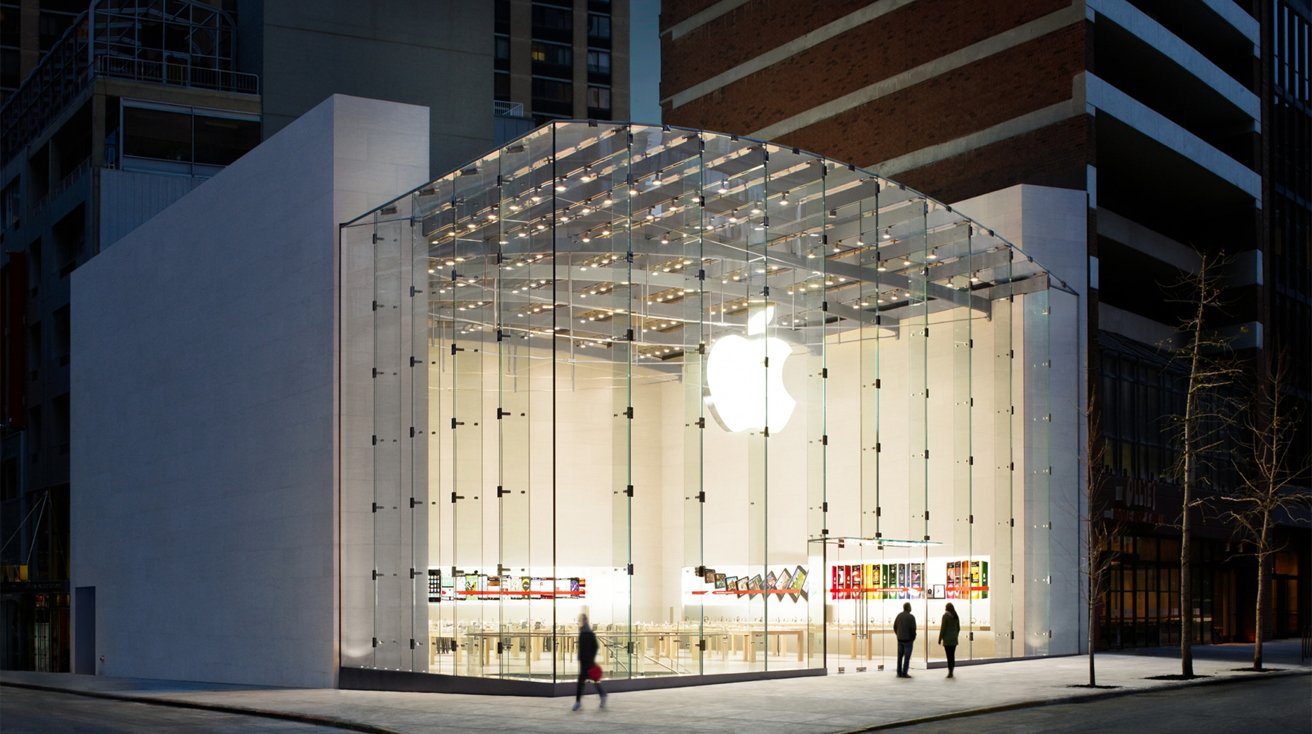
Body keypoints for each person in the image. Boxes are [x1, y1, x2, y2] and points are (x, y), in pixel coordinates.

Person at [573, 613, 608, 711]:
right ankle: (602, 695)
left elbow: (592, 647)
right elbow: (595, 647)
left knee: (582, 681)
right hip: (587, 661)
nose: (580, 622)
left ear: (584, 621)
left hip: (586, 661)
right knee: (593, 680)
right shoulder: (587, 632)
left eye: (581, 620)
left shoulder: (585, 633)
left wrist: (586, 657)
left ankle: (578, 702)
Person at [893, 601, 916, 678]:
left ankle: (899, 672)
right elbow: (913, 629)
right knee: (907, 657)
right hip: (908, 640)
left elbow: (895, 626)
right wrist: (913, 637)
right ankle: (904, 673)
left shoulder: (899, 616)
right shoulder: (911, 617)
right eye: (910, 606)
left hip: (900, 640)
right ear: (908, 608)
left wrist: (898, 634)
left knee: (899, 657)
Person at [938, 602, 960, 678]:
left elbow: (943, 628)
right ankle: (952, 671)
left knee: (948, 656)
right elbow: (958, 628)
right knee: (952, 655)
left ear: (946, 608)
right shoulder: (956, 616)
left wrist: (940, 638)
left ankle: (950, 672)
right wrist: (955, 635)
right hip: (954, 639)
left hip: (947, 639)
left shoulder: (945, 616)